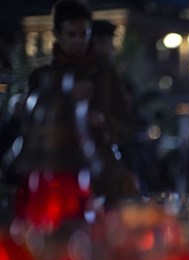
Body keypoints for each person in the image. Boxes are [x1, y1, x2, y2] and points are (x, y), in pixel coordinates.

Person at [25, 0, 138, 199]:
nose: (78, 41)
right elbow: (31, 126)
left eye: (83, 34)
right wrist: (66, 99)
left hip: (102, 173)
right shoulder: (43, 77)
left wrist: (103, 122)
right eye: (71, 34)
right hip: (56, 173)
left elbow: (128, 124)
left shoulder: (106, 75)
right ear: (58, 35)